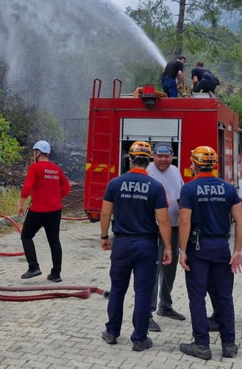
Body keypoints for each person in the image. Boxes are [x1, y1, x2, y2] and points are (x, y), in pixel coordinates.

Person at [99, 141, 172, 352]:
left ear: (129, 159)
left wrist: (105, 237)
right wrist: (168, 247)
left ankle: (112, 332)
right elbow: (164, 221)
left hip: (121, 243)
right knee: (142, 292)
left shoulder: (115, 183)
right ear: (148, 160)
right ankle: (139, 339)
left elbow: (105, 213)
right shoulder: (156, 187)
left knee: (117, 290)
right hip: (146, 245)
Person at [178, 146, 242, 361]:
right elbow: (240, 220)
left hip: (198, 248)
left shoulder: (189, 189)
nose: (190, 165)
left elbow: (185, 221)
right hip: (221, 249)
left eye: (191, 162)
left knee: (197, 297)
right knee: (224, 296)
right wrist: (237, 251)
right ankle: (229, 344)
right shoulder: (227, 189)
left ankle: (201, 345)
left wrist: (182, 250)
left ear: (196, 165)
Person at [17, 140, 71, 282]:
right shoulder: (56, 169)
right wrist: (55, 197)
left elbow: (27, 188)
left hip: (38, 210)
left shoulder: (35, 168)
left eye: (34, 152)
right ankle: (56, 274)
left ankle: (33, 267)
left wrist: (21, 204)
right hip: (55, 211)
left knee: (26, 236)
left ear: (38, 152)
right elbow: (66, 188)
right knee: (54, 241)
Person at [147, 142, 186, 332]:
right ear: (153, 156)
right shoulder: (148, 172)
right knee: (153, 270)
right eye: (159, 156)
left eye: (167, 156)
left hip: (175, 227)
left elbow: (181, 194)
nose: (163, 160)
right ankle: (147, 312)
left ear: (172, 156)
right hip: (154, 229)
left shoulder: (176, 171)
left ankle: (165, 305)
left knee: (170, 268)